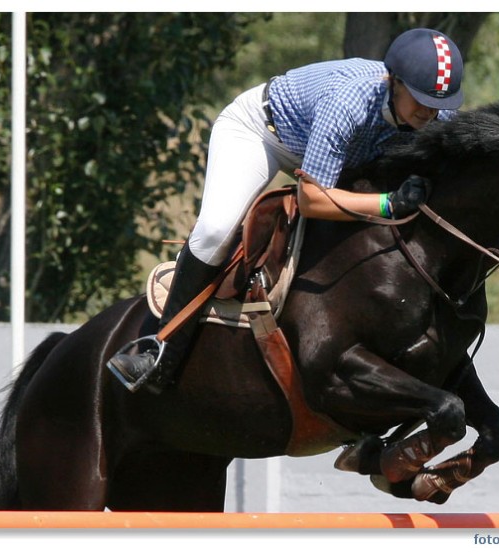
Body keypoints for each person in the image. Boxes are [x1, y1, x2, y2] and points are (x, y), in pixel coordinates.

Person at [108, 27, 465, 393]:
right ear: (394, 81)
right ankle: (159, 350)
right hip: (263, 134)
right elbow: (311, 199)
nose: (429, 111)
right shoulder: (348, 101)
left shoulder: (437, 115)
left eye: (438, 103)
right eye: (420, 99)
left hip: (336, 157)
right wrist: (387, 204)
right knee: (216, 230)